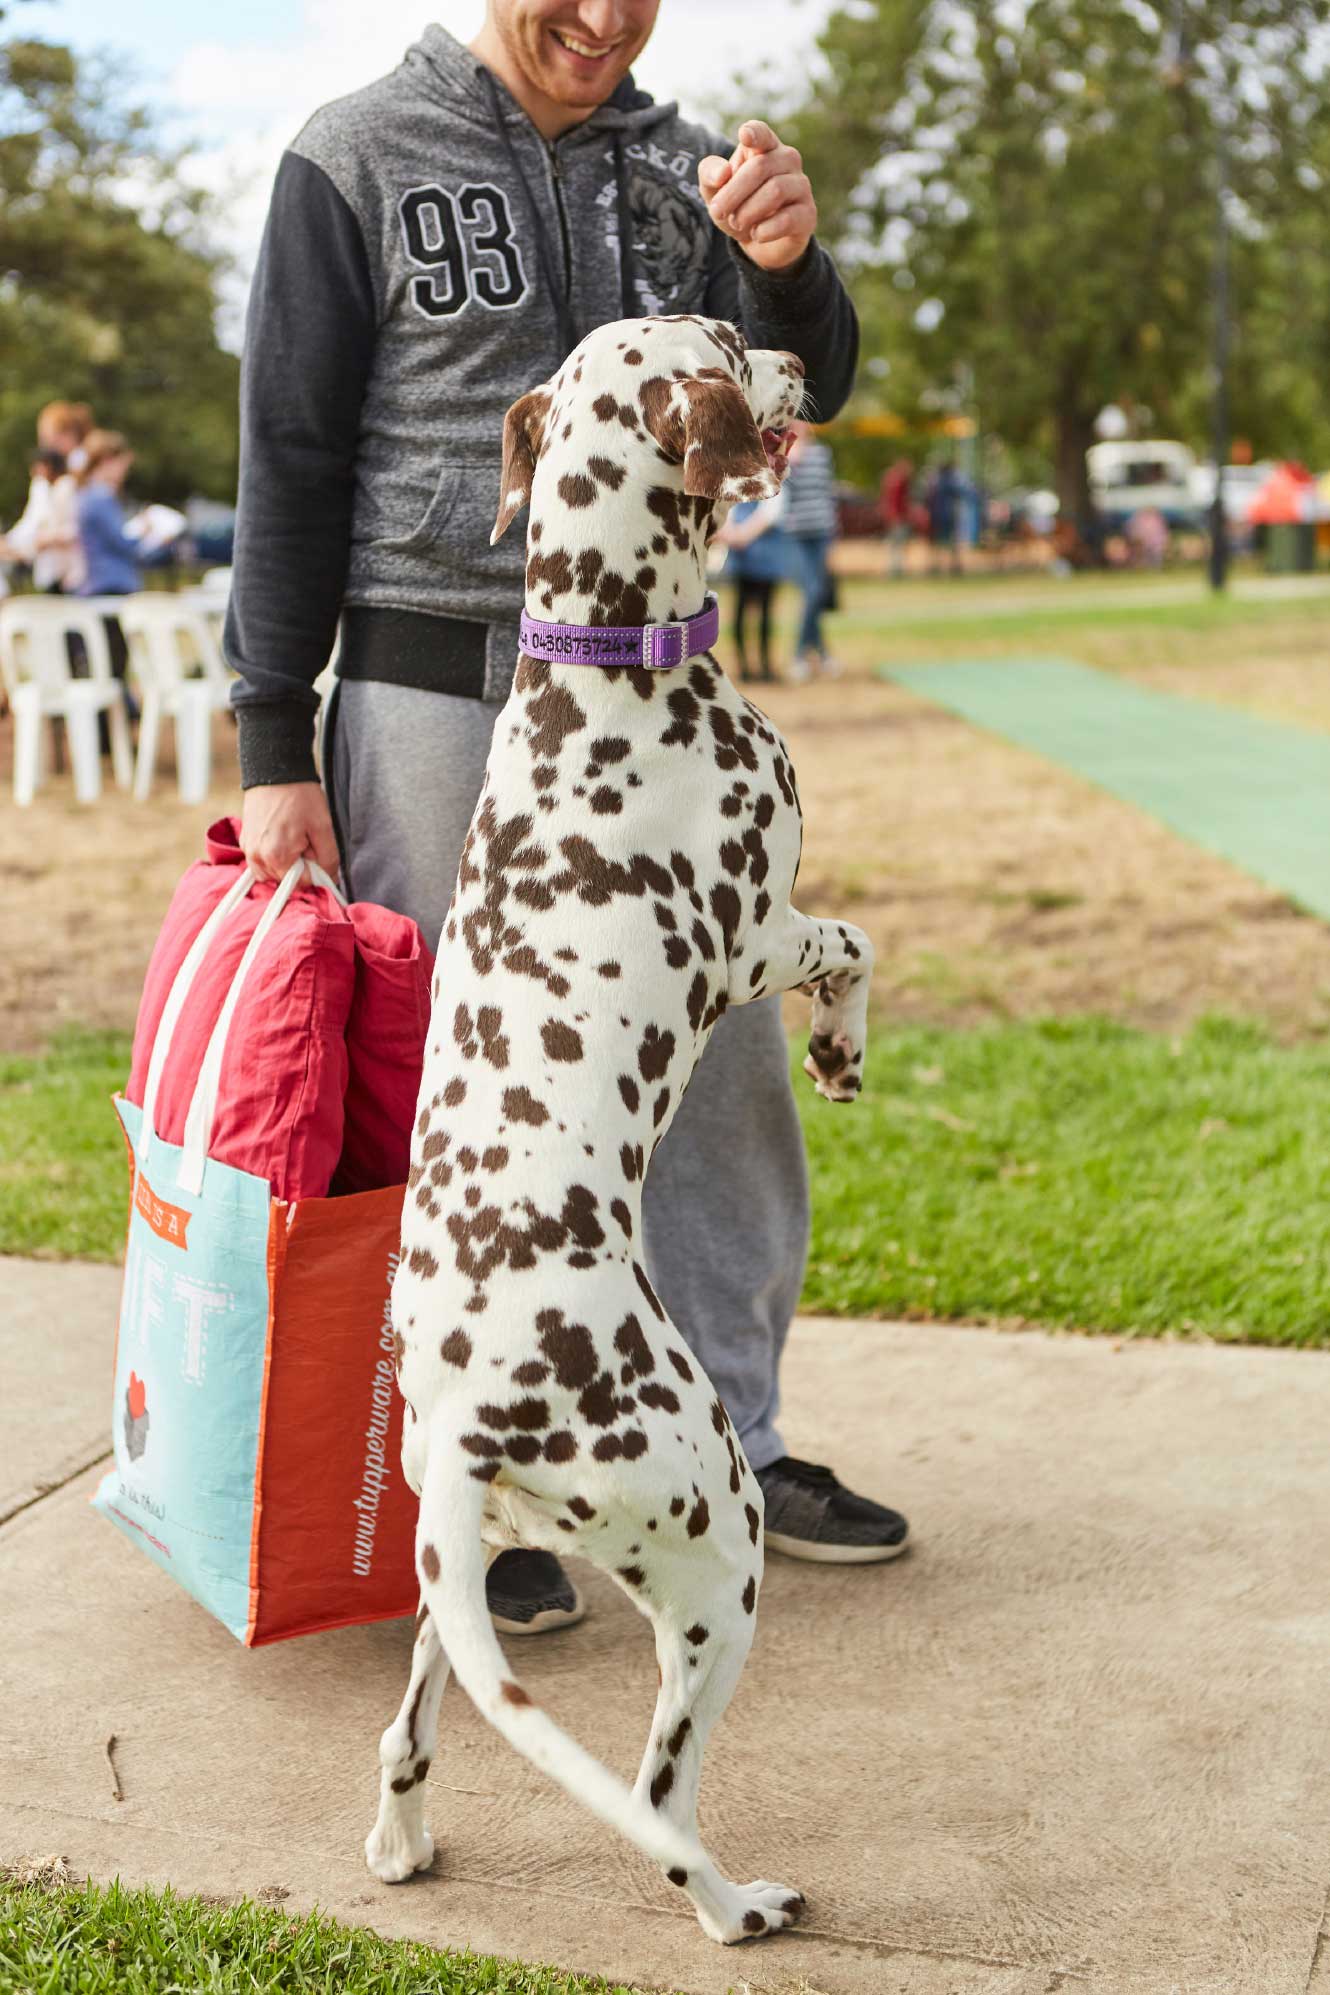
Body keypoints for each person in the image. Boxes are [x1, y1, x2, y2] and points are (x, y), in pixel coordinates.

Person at [227, 0, 910, 1636]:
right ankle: (496, 1485)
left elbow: (797, 379)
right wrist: (273, 738)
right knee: (476, 1100)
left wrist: (792, 267)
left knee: (728, 1063)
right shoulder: (349, 156)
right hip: (433, 682)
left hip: (656, 690)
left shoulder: (691, 166)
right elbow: (291, 455)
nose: (605, 16)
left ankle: (736, 1439)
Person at [781, 419, 840, 679]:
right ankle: (805, 655)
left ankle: (817, 655)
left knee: (815, 594)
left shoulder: (823, 454)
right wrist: (791, 460)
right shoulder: (784, 457)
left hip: (822, 530)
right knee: (812, 592)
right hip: (796, 534)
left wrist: (834, 532)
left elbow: (827, 492)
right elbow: (782, 494)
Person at [718, 492, 789, 682]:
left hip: (765, 558)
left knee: (765, 614)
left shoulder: (774, 485)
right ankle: (744, 667)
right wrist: (733, 534)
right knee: (741, 614)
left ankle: (765, 665)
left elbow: (770, 514)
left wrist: (742, 535)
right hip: (743, 558)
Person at [879, 455, 913, 577]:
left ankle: (895, 568)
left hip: (892, 516)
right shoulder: (900, 481)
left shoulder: (890, 478)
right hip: (898, 517)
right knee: (898, 543)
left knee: (895, 544)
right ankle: (896, 569)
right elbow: (899, 501)